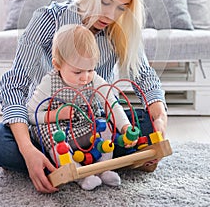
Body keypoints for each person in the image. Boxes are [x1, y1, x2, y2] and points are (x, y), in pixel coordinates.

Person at [0, 0, 167, 194]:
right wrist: (28, 150)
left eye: (122, 8)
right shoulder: (49, 19)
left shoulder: (120, 30)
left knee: (146, 124)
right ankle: (57, 160)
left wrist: (160, 119)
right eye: (105, 2)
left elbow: (144, 77)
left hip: (96, 126)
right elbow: (15, 85)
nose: (111, 15)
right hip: (49, 125)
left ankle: (80, 163)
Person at [27, 24, 136, 190]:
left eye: (90, 69)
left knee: (105, 126)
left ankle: (104, 168)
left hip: (86, 128)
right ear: (57, 65)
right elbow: (31, 114)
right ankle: (79, 175)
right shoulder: (49, 83)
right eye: (77, 72)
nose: (85, 77)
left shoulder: (94, 80)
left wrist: (125, 126)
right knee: (52, 137)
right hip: (60, 130)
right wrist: (57, 114)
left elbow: (112, 104)